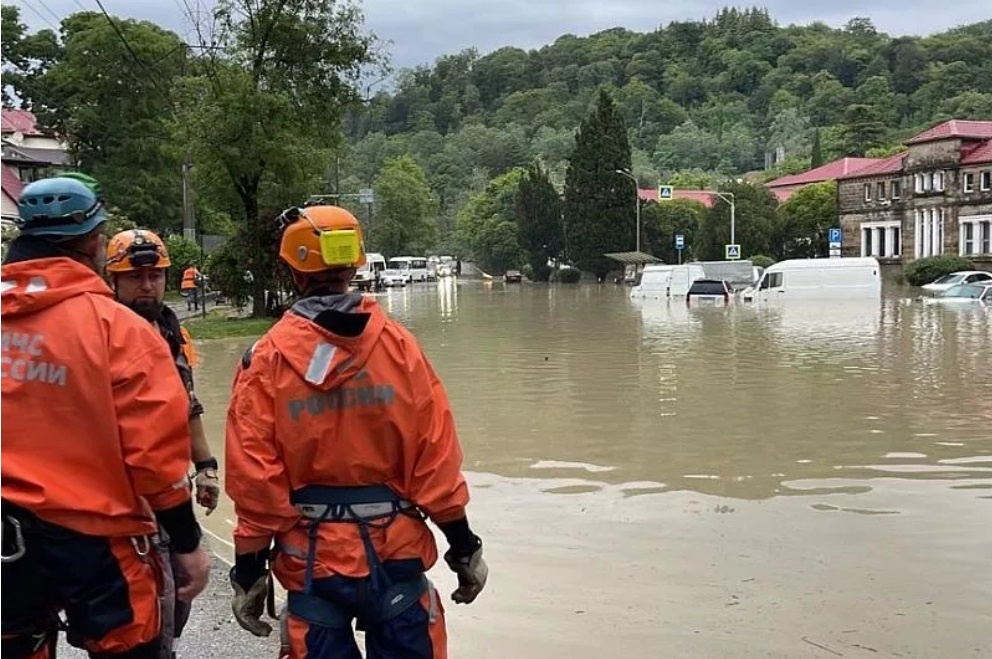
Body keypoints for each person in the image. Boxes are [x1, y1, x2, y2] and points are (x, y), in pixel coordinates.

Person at [225, 205, 488, 658]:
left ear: (292, 270)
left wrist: (248, 569)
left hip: (312, 564)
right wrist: (464, 548)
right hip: (395, 556)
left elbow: (255, 482)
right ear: (355, 263)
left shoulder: (264, 361)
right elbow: (435, 461)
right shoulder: (399, 348)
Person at [1, 176, 211, 659]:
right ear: (94, 242)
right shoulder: (117, 330)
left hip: (8, 542)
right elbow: (155, 455)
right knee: (129, 646)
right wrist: (186, 542)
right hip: (98, 541)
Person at [104, 228, 221, 658]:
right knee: (133, 624)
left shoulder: (170, 332)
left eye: (156, 276)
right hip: (118, 504)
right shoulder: (102, 335)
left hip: (168, 498)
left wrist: (206, 465)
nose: (148, 285)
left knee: (175, 606)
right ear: (112, 280)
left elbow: (185, 405)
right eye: (136, 278)